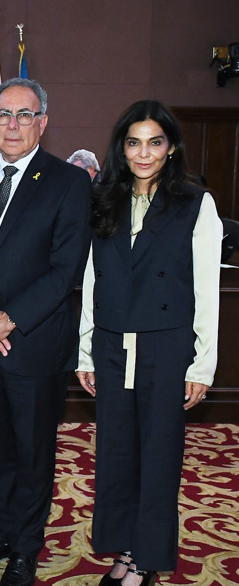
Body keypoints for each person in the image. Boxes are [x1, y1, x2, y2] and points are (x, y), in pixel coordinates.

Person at [0, 78, 92, 586]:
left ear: (42, 123)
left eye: (24, 115)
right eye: (3, 114)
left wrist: (8, 318)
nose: (12, 125)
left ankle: (26, 548)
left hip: (33, 342)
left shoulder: (68, 183)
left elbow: (66, 269)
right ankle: (4, 533)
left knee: (32, 451)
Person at [76, 101, 220, 586]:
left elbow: (206, 291)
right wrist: (85, 349)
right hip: (112, 345)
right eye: (133, 143)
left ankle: (147, 558)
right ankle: (125, 547)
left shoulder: (194, 203)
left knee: (159, 455)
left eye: (154, 142)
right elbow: (93, 279)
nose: (143, 153)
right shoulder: (105, 198)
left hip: (167, 346)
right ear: (121, 148)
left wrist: (202, 365)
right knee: (116, 453)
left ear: (171, 147)